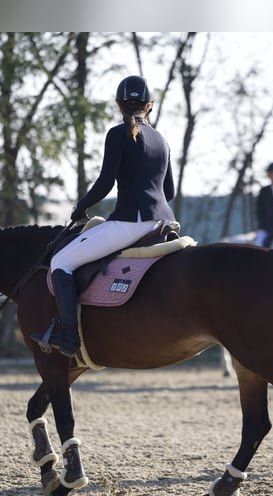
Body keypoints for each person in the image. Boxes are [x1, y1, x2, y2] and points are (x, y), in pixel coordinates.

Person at [31, 75, 177, 357]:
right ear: (150, 106)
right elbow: (168, 191)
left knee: (60, 262)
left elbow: (105, 183)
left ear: (119, 105)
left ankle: (69, 337)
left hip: (132, 222)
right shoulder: (162, 139)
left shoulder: (117, 133)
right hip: (164, 221)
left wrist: (80, 207)